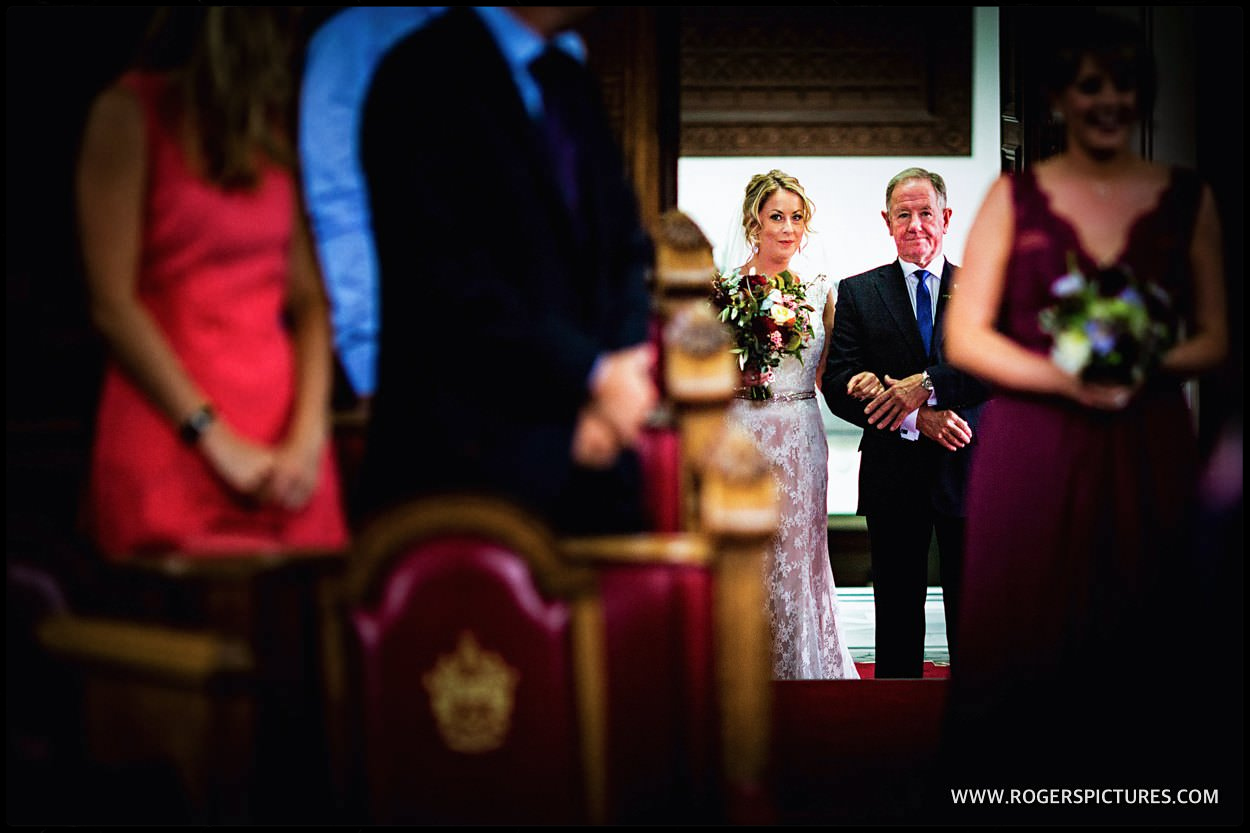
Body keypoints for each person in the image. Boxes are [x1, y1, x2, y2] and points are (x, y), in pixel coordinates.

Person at [942, 11, 1229, 807]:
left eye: (1126, 85)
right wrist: (1067, 378)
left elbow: (1215, 337)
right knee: (1028, 615)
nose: (1109, 101)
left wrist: (1142, 365)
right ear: (1060, 95)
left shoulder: (1186, 198)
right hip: (1036, 439)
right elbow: (966, 338)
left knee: (1147, 612)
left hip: (1148, 434)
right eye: (1090, 84)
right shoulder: (1014, 198)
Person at [356, 7, 657, 534]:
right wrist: (594, 375)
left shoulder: (568, 79)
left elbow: (624, 243)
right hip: (468, 458)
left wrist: (626, 361)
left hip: (598, 456)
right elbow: (446, 281)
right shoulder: (419, 74)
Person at [78, 7, 348, 557]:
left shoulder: (268, 129)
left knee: (306, 630)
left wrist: (308, 436)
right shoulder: (128, 113)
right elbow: (112, 304)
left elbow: (309, 300)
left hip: (286, 455)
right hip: (177, 443)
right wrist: (215, 439)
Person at [823, 168, 990, 679]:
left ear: (946, 217)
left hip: (969, 471)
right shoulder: (857, 293)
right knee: (896, 616)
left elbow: (990, 368)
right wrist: (918, 416)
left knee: (975, 615)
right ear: (887, 221)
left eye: (925, 213)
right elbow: (837, 383)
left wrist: (926, 383)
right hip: (893, 475)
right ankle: (893, 729)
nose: (915, 224)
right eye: (903, 214)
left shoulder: (981, 289)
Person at [723, 170, 859, 680]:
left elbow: (832, 375)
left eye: (796, 218)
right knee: (747, 551)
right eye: (776, 216)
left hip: (801, 432)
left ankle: (805, 666)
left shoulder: (821, 289)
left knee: (800, 554)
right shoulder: (725, 289)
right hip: (743, 432)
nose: (787, 228)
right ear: (754, 221)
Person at [298, 6, 446, 402]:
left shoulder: (550, 46)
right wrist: (370, 359)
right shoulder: (351, 40)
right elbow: (337, 209)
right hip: (412, 354)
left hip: (547, 354)